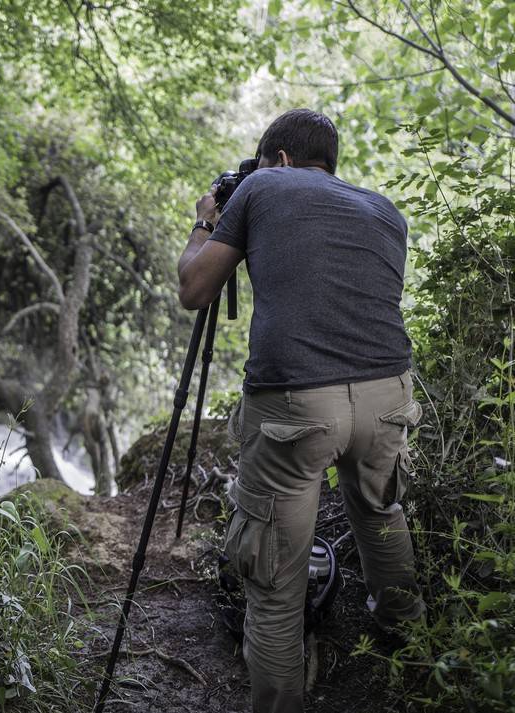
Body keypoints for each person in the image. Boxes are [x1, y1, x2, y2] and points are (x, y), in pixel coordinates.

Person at [176, 108, 426, 713]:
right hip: (389, 394)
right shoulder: (385, 211)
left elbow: (194, 289)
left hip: (297, 405)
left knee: (275, 586)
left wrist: (204, 223)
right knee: (379, 510)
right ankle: (415, 650)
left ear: (279, 159)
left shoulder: (262, 186)